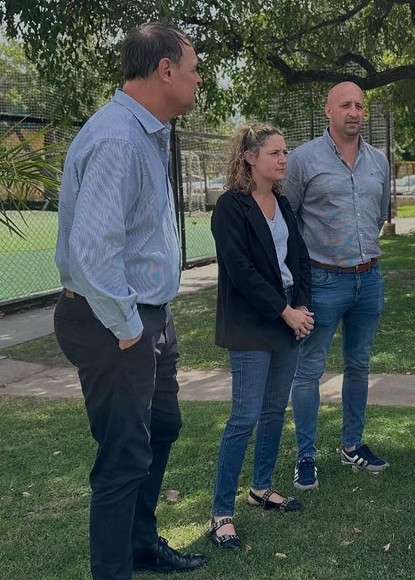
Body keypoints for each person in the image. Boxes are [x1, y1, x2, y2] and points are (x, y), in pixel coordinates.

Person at [53, 23, 206, 578]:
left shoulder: (149, 131)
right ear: (164, 70)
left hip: (146, 318)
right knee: (122, 457)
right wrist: (127, 328)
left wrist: (150, 320)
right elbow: (93, 253)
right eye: (193, 70)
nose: (197, 81)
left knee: (161, 430)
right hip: (110, 321)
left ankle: (142, 544)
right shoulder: (118, 137)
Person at [207, 123, 315, 549]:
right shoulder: (230, 207)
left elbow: (300, 259)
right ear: (250, 157)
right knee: (244, 417)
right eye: (275, 152)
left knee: (274, 410)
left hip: (288, 311)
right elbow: (242, 272)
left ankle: (262, 487)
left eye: (285, 152)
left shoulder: (283, 203)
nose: (284, 159)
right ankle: (220, 512)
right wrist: (285, 311)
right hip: (254, 319)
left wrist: (301, 306)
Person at [284, 81, 391, 490]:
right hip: (323, 281)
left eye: (360, 105)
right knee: (309, 369)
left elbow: (379, 213)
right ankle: (305, 456)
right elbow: (289, 218)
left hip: (369, 279)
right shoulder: (302, 160)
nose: (354, 112)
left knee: (359, 364)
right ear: (327, 110)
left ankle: (352, 445)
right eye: (345, 105)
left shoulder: (378, 161)